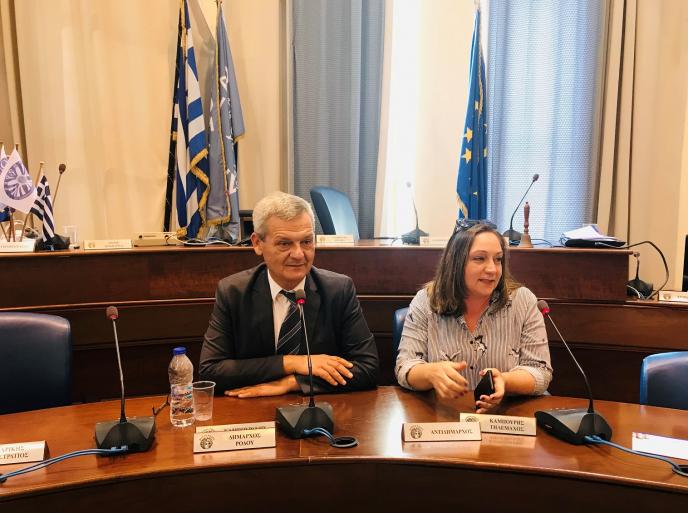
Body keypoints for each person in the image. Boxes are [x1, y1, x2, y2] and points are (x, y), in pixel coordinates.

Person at [200, 191, 379, 398]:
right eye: (284, 243)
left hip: (320, 409)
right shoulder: (234, 292)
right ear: (257, 243)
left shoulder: (338, 290)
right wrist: (294, 363)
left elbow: (368, 368)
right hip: (253, 410)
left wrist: (294, 382)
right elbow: (211, 371)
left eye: (306, 241)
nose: (298, 254)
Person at [395, 222, 552, 413]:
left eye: (498, 259)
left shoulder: (523, 301)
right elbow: (405, 367)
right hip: (445, 417)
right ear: (455, 263)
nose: (492, 269)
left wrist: (505, 381)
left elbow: (540, 371)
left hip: (504, 417)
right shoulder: (426, 300)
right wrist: (430, 373)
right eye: (479, 258)